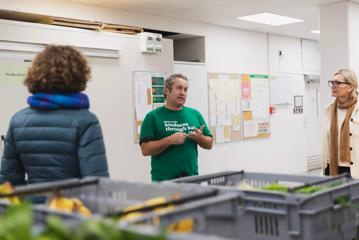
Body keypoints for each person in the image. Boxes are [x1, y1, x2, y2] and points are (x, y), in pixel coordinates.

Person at [0, 45, 109, 186]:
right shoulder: (86, 121)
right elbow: (96, 183)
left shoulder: (18, 121)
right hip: (72, 207)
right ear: (79, 75)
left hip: (33, 207)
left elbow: (8, 184)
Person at [140, 73, 213, 181]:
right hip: (164, 181)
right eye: (179, 88)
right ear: (166, 90)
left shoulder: (195, 114)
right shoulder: (152, 117)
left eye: (185, 89)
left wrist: (200, 138)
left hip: (191, 179)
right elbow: (145, 150)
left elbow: (209, 144)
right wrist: (170, 140)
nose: (182, 93)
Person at [322, 69, 359, 178]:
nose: (333, 85)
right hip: (332, 167)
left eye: (338, 83)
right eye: (332, 82)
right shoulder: (328, 110)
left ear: (350, 87)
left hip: (354, 168)